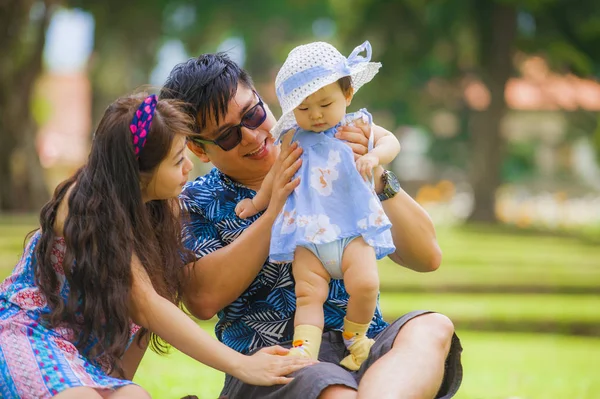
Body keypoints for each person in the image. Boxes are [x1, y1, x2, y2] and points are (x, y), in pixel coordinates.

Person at [161, 48, 463, 399]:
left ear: (264, 99)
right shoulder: (195, 201)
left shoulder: (337, 147)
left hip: (360, 348)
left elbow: (427, 257)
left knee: (432, 327)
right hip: (276, 363)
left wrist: (373, 173)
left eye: (253, 114)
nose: (252, 136)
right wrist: (273, 212)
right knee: (331, 388)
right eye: (227, 136)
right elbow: (202, 298)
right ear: (200, 150)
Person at [0, 93, 314, 399]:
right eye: (178, 160)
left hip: (82, 355)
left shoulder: (161, 209)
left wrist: (120, 385)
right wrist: (244, 365)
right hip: (31, 334)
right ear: (137, 174)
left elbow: (140, 325)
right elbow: (148, 307)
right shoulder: (86, 204)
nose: (189, 167)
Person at [233, 40, 400, 371]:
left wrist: (373, 156)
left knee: (366, 284)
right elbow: (276, 177)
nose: (317, 115)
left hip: (352, 230)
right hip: (309, 235)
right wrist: (257, 204)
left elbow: (390, 141)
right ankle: (304, 348)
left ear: (347, 94)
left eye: (325, 103)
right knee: (309, 295)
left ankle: (356, 338)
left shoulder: (357, 126)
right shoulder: (293, 138)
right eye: (304, 109)